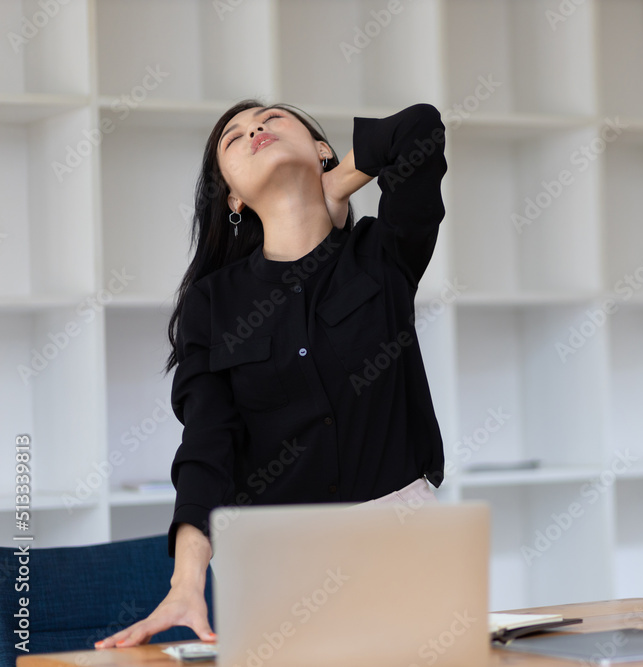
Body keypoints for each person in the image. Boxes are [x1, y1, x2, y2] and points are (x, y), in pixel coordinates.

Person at [95, 100, 448, 648]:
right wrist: (187, 580)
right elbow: (208, 443)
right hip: (278, 562)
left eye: (273, 119)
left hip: (404, 542)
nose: (255, 129)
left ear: (322, 150)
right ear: (233, 196)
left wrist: (332, 187)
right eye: (234, 138)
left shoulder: (383, 252)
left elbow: (419, 126)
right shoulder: (212, 303)